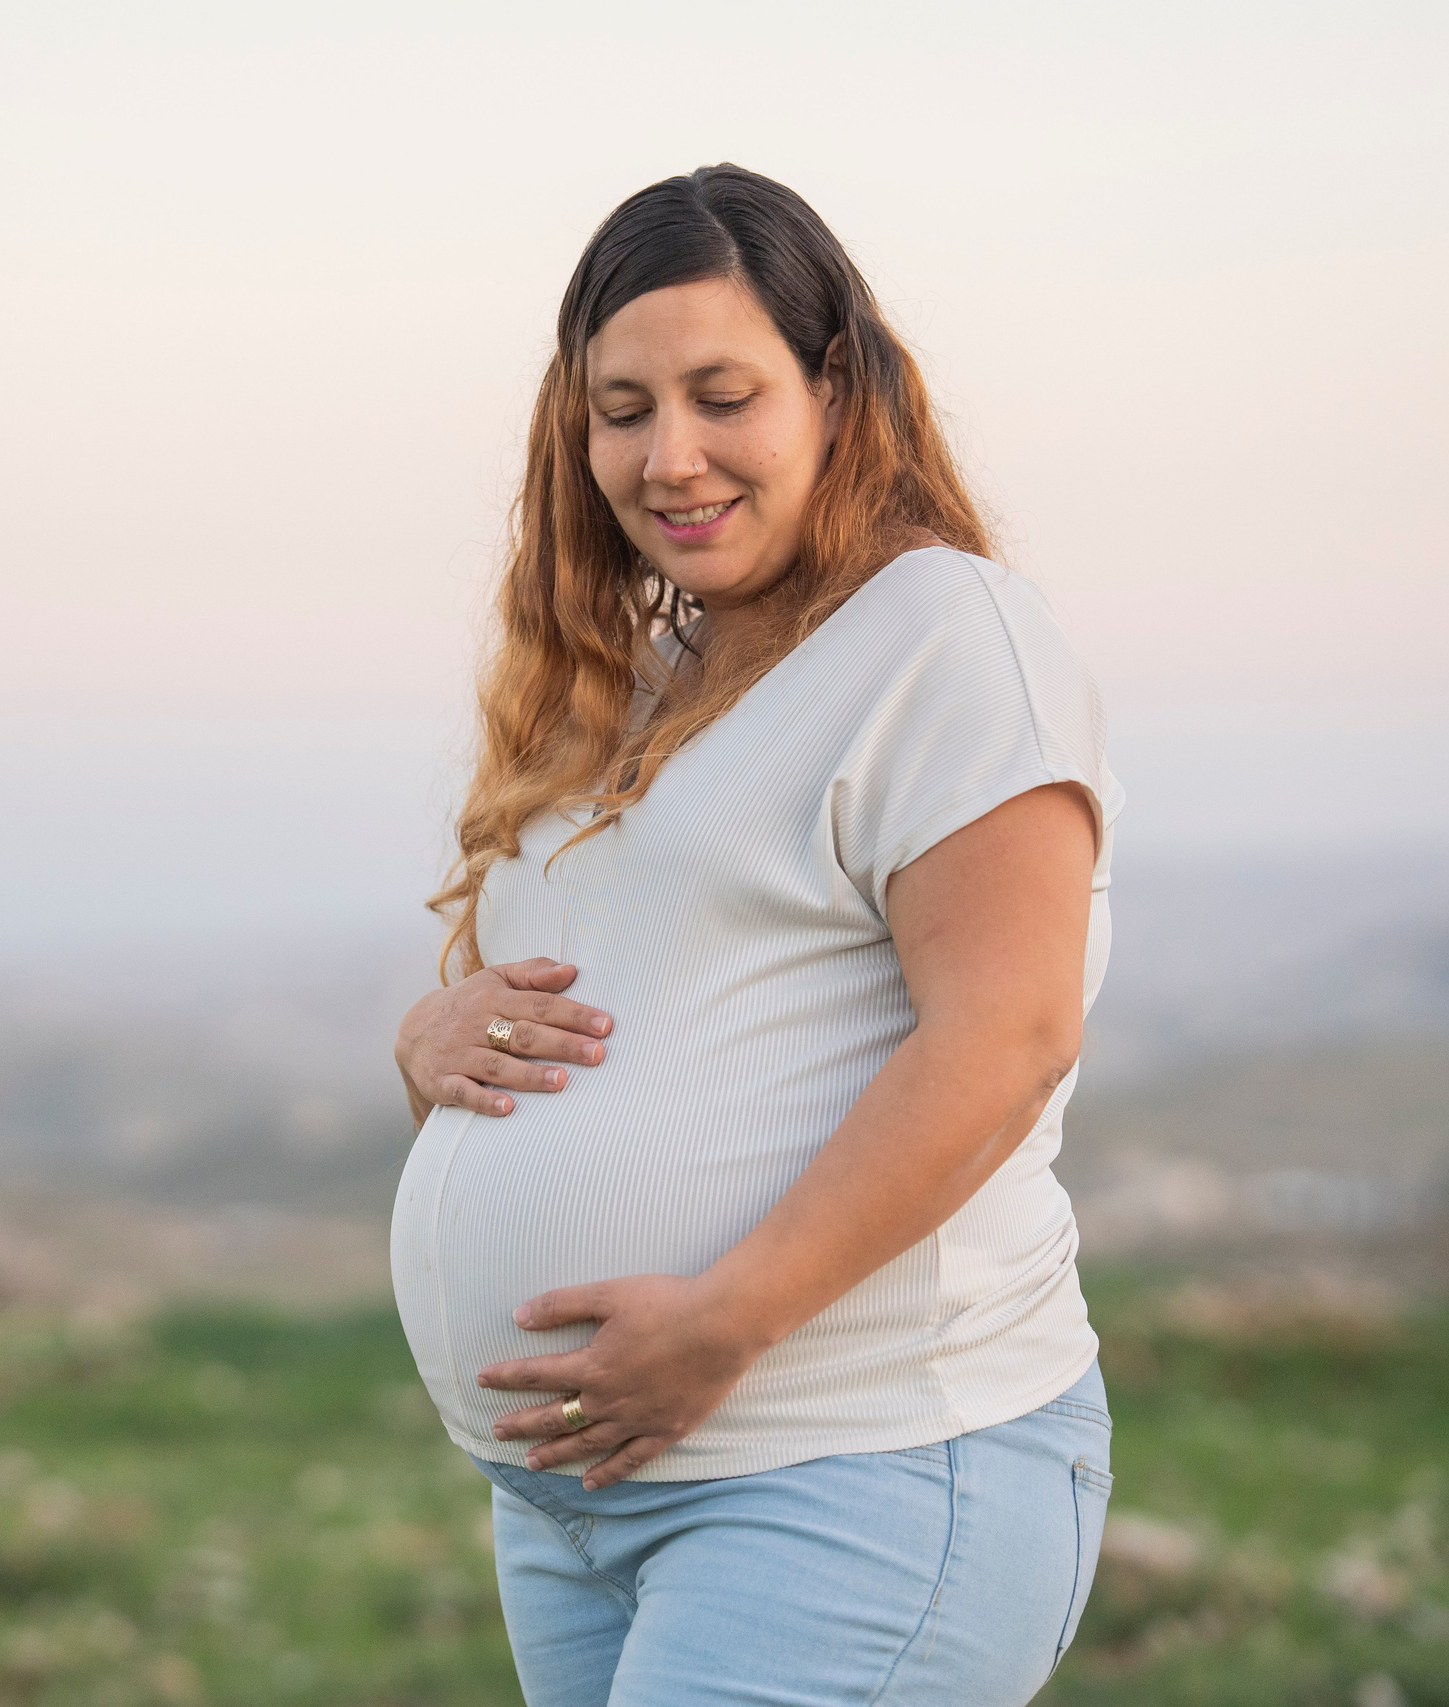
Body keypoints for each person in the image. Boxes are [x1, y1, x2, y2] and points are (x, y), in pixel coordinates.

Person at [387, 164, 1124, 1706]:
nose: (672, 457)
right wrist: (430, 1042)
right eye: (624, 408)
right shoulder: (650, 679)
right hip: (586, 1497)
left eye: (726, 395)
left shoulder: (942, 636)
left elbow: (1008, 1037)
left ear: (836, 386)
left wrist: (723, 1325)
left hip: (847, 1472)